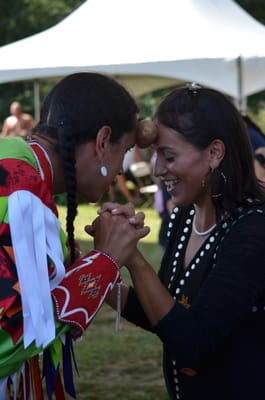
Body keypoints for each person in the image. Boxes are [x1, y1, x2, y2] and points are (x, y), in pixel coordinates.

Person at [88, 84, 265, 400]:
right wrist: (92, 270)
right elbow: (165, 314)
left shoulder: (254, 230)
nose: (157, 170)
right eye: (156, 155)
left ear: (214, 153)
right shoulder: (187, 216)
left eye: (168, 156)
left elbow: (191, 341)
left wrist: (133, 258)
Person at [0, 72, 151, 400]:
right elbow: (8, 338)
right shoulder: (19, 193)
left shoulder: (18, 170)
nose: (120, 171)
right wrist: (103, 263)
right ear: (101, 142)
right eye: (123, 151)